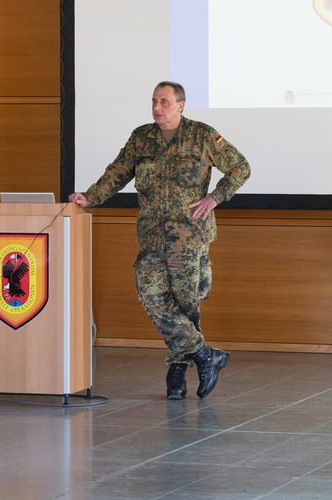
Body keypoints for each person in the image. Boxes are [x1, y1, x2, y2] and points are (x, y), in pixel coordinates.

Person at [69, 81, 250, 400]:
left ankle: (178, 372)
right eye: (154, 101)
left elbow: (240, 168)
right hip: (153, 236)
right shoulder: (142, 137)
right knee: (151, 297)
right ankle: (205, 355)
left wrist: (215, 198)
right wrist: (90, 196)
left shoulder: (202, 135)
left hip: (189, 237)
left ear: (181, 105)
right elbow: (117, 173)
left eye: (164, 102)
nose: (157, 108)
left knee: (186, 306)